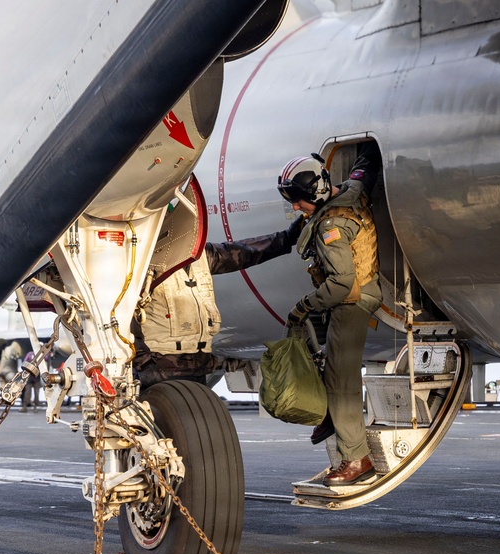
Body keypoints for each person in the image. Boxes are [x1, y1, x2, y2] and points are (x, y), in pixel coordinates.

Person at [279, 145, 383, 486]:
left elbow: (341, 285)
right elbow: (361, 174)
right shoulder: (349, 193)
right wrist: (369, 155)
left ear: (318, 192)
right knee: (327, 365)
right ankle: (329, 416)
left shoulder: (330, 227)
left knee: (341, 384)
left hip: (352, 302)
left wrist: (303, 307)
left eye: (298, 199)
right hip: (356, 297)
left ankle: (356, 459)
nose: (295, 207)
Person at [133, 214, 305, 388]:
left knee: (196, 414)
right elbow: (122, 317)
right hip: (158, 371)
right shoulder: (139, 261)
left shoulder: (201, 256)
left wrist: (286, 238)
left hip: (196, 368)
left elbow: (244, 252)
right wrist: (143, 363)